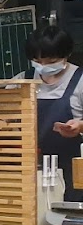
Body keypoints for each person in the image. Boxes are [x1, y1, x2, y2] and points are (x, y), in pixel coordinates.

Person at [21, 25, 83, 202]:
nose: (43, 66)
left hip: (74, 167)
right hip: (34, 167)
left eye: (51, 61)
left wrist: (80, 126)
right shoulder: (22, 81)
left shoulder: (80, 81)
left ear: (66, 55)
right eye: (38, 61)